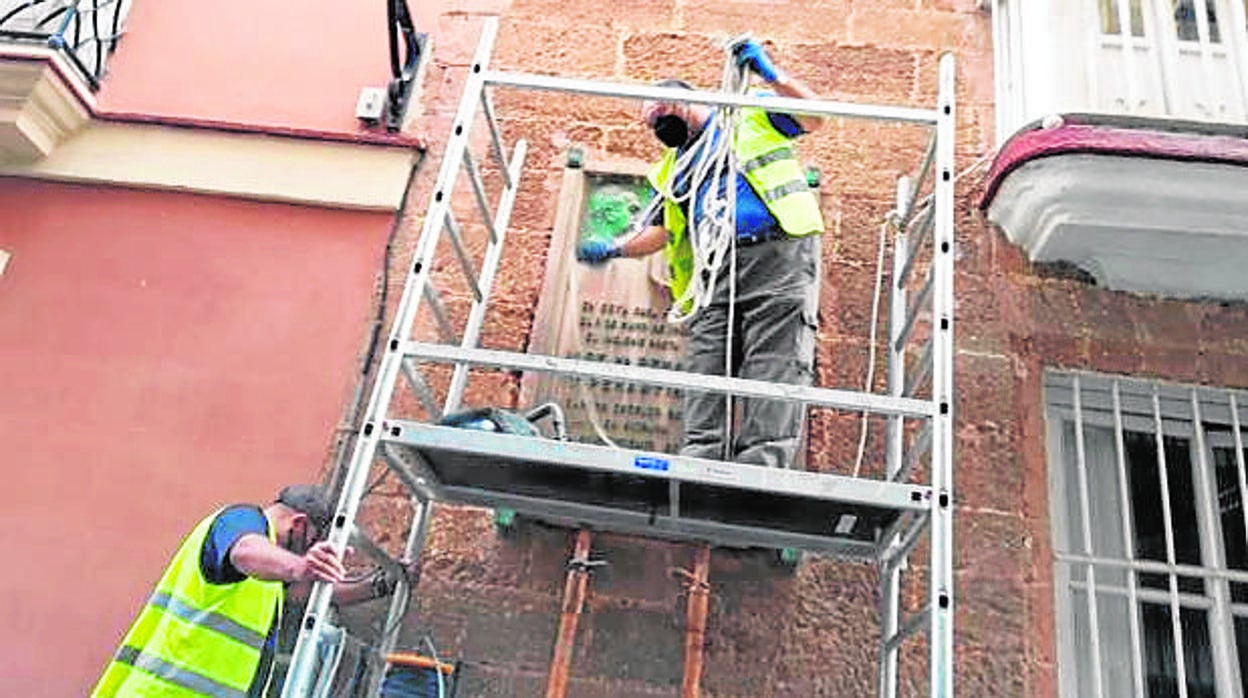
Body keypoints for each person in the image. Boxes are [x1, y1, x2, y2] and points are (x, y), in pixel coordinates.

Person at [577, 40, 826, 470]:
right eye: (649, 123)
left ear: (684, 101)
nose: (656, 127)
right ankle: (701, 456)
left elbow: (816, 117)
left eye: (659, 115)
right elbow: (659, 230)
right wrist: (614, 248)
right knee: (704, 363)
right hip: (715, 270)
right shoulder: (672, 168)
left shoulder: (747, 113)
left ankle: (761, 465)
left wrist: (772, 76)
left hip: (777, 253)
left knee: (775, 362)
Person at [92, 484, 416, 697]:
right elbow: (245, 551)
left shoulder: (271, 574)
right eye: (314, 543)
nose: (308, 555)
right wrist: (299, 566)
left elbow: (308, 593)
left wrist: (381, 584)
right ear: (299, 524)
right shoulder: (240, 521)